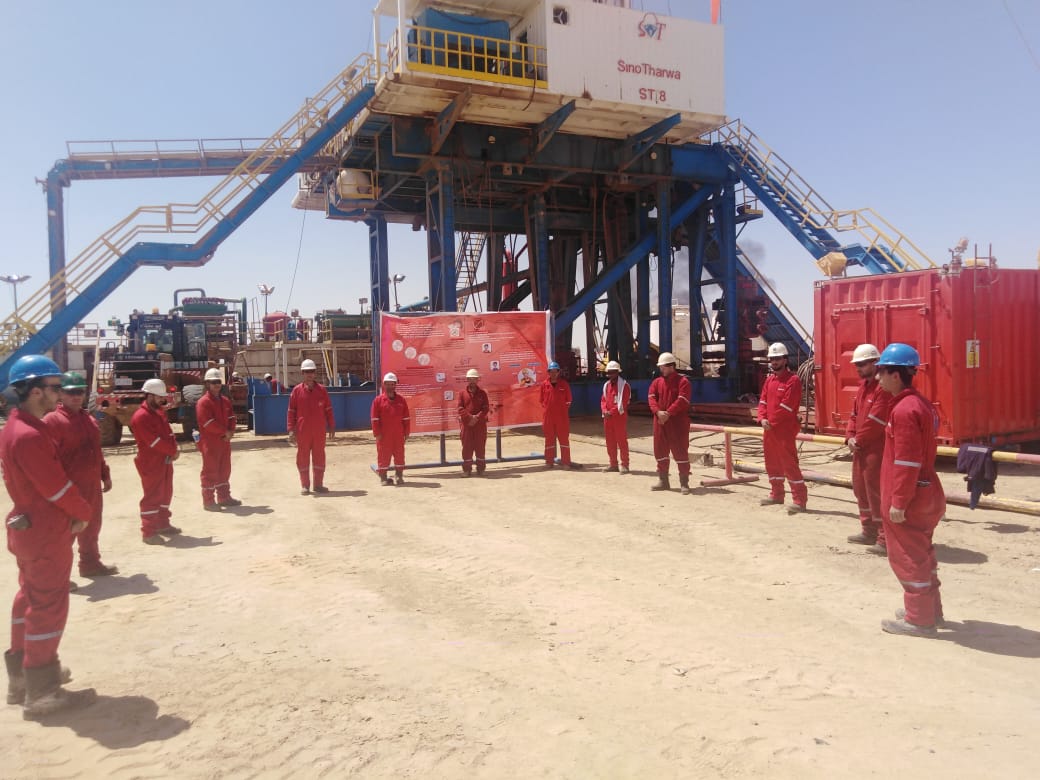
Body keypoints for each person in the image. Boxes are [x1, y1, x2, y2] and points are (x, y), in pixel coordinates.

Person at [1, 355, 97, 718]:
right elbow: (55, 488)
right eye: (55, 387)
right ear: (35, 390)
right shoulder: (29, 436)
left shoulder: (17, 427)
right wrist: (82, 512)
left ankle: (23, 677)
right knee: (48, 607)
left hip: (30, 526)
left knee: (28, 598)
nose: (60, 394)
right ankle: (42, 691)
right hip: (44, 531)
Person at [875, 343, 947, 638]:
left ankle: (919, 619)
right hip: (927, 491)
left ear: (896, 374)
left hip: (912, 497)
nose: (878, 378)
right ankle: (931, 611)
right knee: (923, 553)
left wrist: (899, 502)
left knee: (908, 557)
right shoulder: (921, 404)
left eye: (881, 371)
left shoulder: (904, 410)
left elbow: (906, 461)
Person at [43, 372, 117, 578]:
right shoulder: (52, 421)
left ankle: (90, 564)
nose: (76, 396)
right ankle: (56, 576)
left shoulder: (88, 419)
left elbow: (96, 450)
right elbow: (48, 460)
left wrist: (104, 474)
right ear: (61, 394)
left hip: (91, 485)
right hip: (68, 488)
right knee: (64, 532)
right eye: (71, 392)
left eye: (80, 392)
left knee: (92, 526)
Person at [844, 344, 894, 554]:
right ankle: (868, 530)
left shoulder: (883, 389)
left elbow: (876, 420)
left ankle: (884, 538)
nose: (858, 368)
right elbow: (854, 415)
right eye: (857, 364)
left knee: (875, 491)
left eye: (862, 364)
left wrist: (859, 440)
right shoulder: (863, 387)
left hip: (876, 448)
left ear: (875, 363)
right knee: (860, 488)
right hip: (860, 447)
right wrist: (849, 436)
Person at [757, 342, 808, 513]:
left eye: (778, 358)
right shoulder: (769, 380)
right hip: (769, 430)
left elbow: (787, 407)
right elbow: (763, 401)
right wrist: (762, 418)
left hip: (784, 431)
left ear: (785, 360)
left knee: (789, 464)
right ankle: (776, 494)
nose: (774, 362)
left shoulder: (793, 381)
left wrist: (769, 421)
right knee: (772, 463)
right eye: (772, 359)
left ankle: (799, 500)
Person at [131, 378, 181, 545]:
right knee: (153, 495)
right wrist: (172, 451)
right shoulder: (141, 416)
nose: (162, 399)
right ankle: (148, 532)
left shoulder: (158, 412)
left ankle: (162, 524)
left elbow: (168, 434)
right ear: (149, 395)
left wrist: (174, 448)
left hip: (164, 460)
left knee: (165, 493)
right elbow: (153, 441)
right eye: (159, 396)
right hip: (150, 461)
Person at [287, 358, 336, 494]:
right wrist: (291, 429)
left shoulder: (322, 390)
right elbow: (291, 411)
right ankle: (305, 485)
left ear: (315, 373)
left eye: (312, 371)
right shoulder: (296, 391)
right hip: (303, 431)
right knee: (303, 457)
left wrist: (332, 425)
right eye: (307, 372)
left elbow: (328, 409)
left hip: (319, 430)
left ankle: (318, 485)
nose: (309, 374)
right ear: (302, 373)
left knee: (319, 457)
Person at [196, 368, 240, 511]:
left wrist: (231, 431)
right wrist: (225, 432)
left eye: (218, 382)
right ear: (207, 384)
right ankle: (208, 501)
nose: (217, 385)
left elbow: (232, 417)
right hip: (210, 442)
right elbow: (207, 422)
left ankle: (224, 497)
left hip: (224, 441)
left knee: (224, 469)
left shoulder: (225, 401)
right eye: (213, 382)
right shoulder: (203, 402)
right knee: (210, 471)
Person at [647, 352, 692, 493]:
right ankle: (663, 481)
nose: (661, 369)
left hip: (677, 423)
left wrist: (668, 413)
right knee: (660, 450)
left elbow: (682, 400)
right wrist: (658, 412)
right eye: (660, 367)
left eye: (663, 367)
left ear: (671, 366)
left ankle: (684, 483)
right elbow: (651, 398)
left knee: (680, 450)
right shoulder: (657, 382)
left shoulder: (683, 382)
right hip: (660, 422)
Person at [371, 372, 409, 485]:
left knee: (399, 454)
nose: (390, 386)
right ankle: (383, 477)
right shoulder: (378, 401)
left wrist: (406, 432)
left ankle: (399, 475)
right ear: (384, 385)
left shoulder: (401, 400)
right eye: (388, 384)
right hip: (384, 435)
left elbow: (406, 418)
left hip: (398, 434)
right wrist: (377, 433)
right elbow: (374, 419)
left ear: (395, 385)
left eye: (392, 384)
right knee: (383, 455)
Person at [600, 360, 631, 474]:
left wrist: (611, 412)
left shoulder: (624, 386)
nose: (610, 375)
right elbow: (603, 400)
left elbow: (623, 403)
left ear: (617, 372)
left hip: (619, 418)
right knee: (610, 442)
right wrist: (604, 410)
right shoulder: (606, 386)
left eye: (612, 372)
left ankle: (625, 465)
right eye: (609, 372)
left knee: (621, 441)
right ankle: (613, 464)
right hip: (608, 418)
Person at [540, 361, 572, 468]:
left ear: (558, 372)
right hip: (548, 417)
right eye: (551, 371)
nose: (553, 374)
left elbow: (569, 400)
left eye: (555, 371)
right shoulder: (544, 385)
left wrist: (561, 410)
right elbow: (541, 400)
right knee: (549, 439)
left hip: (561, 417)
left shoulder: (564, 384)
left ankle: (566, 462)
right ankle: (549, 462)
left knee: (563, 439)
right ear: (548, 372)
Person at [457, 368, 489, 476]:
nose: (472, 381)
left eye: (474, 379)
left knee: (480, 447)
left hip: (480, 426)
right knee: (467, 448)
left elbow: (486, 408)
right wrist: (470, 418)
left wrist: (477, 418)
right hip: (467, 425)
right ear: (467, 379)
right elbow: (460, 408)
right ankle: (467, 470)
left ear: (477, 380)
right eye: (470, 379)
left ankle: (481, 469)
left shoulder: (482, 393)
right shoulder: (462, 393)